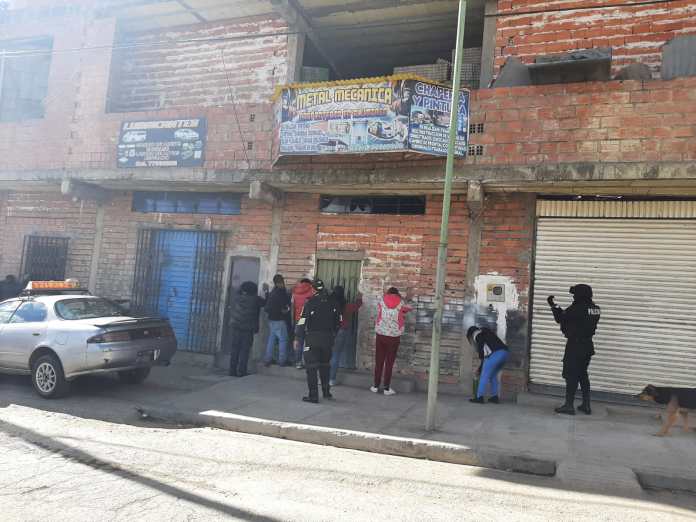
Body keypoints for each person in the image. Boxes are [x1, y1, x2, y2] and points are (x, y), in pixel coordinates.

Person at [548, 284, 601, 415]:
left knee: (571, 376)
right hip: (587, 346)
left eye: (575, 294)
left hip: (575, 346)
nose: (573, 297)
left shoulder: (577, 308)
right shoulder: (595, 309)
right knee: (583, 375)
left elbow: (560, 318)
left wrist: (553, 305)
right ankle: (586, 405)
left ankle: (569, 406)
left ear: (580, 295)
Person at [294, 279, 341, 403]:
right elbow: (339, 321)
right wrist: (333, 334)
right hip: (328, 339)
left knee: (311, 368)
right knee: (325, 366)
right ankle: (326, 393)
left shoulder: (310, 302)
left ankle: (313, 396)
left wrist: (298, 337)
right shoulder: (333, 302)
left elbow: (302, 321)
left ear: (313, 289)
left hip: (312, 339)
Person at [371, 287, 413, 395]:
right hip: (394, 336)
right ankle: (386, 388)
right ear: (397, 294)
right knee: (389, 363)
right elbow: (409, 308)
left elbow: (378, 308)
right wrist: (403, 299)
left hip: (381, 334)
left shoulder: (381, 301)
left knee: (379, 361)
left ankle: (375, 386)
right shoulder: (401, 303)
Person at [228, 281, 267, 377]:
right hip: (248, 329)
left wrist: (241, 289)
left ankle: (232, 371)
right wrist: (266, 291)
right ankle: (242, 371)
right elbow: (265, 303)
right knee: (244, 350)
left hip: (236, 327)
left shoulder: (238, 298)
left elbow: (237, 291)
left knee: (235, 349)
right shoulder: (256, 300)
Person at [329, 285, 363, 386]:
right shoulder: (346, 306)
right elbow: (357, 306)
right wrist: (359, 298)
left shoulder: (327, 304)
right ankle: (331, 379)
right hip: (341, 331)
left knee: (325, 355)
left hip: (327, 331)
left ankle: (321, 379)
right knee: (335, 355)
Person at [466, 326, 509, 404]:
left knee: (484, 375)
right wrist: (480, 368)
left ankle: (479, 397)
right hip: (505, 353)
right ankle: (495, 397)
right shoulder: (485, 332)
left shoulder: (477, 334)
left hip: (496, 354)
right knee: (493, 375)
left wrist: (479, 369)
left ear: (471, 335)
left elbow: (482, 350)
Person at [264, 274, 292, 367]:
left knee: (271, 339)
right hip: (279, 319)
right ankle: (282, 360)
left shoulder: (273, 291)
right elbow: (284, 307)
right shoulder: (280, 292)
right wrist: (288, 309)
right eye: (282, 282)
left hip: (271, 319)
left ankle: (268, 359)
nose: (283, 284)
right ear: (279, 283)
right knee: (283, 340)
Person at [291, 278, 314, 369]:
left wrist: (293, 321)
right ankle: (306, 361)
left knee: (298, 341)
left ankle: (298, 362)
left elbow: (292, 308)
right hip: (309, 320)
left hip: (298, 320)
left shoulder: (294, 292)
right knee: (308, 342)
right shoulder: (312, 292)